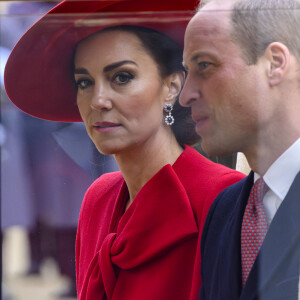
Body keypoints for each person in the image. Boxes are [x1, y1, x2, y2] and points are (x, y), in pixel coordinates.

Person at [4, 0, 245, 299]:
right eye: (84, 82)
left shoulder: (222, 196)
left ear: (171, 87)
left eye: (122, 77)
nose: (98, 100)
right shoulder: (98, 198)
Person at [180, 0, 300, 299]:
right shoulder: (224, 210)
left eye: (204, 66)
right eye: (187, 72)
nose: (185, 95)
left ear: (274, 64)